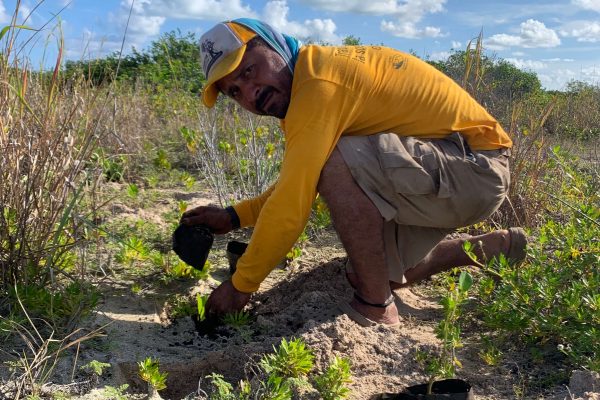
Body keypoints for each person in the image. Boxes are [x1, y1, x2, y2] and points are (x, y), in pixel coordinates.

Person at [181, 18, 527, 327]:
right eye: (235, 92)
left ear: (274, 47)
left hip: (476, 170)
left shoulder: (318, 84)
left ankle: (377, 307)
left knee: (335, 163)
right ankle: (489, 248)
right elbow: (296, 182)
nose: (250, 94)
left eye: (249, 70)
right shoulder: (309, 81)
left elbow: (291, 205)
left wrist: (240, 287)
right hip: (447, 171)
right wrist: (233, 216)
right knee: (366, 270)